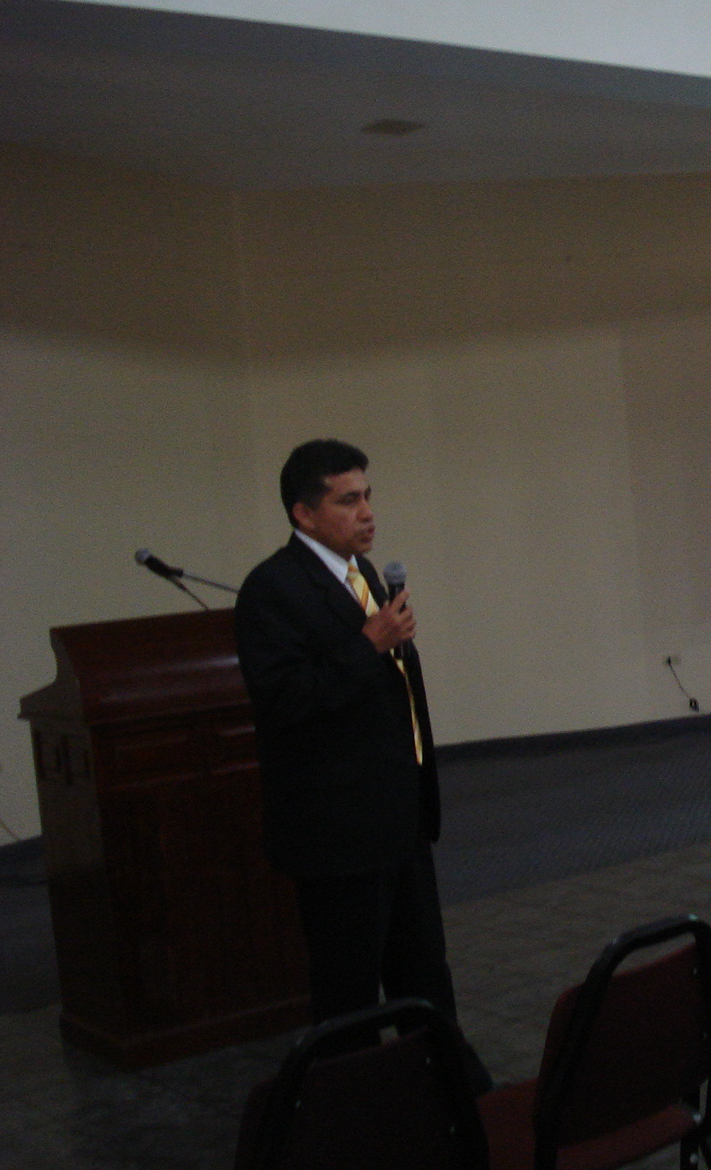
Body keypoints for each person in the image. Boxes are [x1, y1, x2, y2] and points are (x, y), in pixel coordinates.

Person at [235, 439, 488, 1087]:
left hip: (397, 815)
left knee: (423, 971)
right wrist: (368, 644)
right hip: (337, 831)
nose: (368, 512)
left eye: (368, 496)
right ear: (304, 513)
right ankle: (359, 1109)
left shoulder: (363, 574)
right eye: (348, 501)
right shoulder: (272, 589)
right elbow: (284, 700)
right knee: (349, 993)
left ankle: (450, 1090)